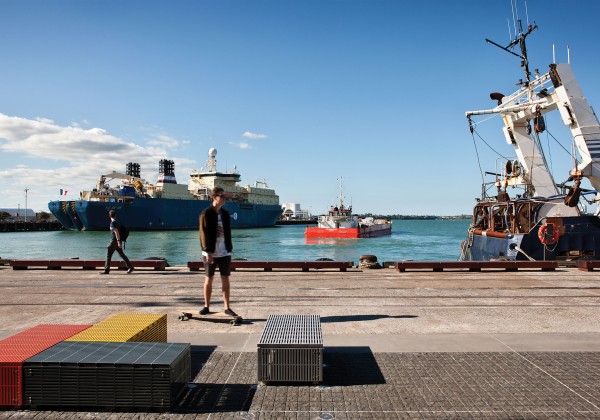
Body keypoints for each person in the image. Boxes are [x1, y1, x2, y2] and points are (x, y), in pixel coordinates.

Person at [199, 187, 236, 316]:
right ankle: (206, 306)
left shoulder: (225, 214)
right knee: (209, 279)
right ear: (214, 197)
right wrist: (206, 251)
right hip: (210, 252)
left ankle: (227, 307)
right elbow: (203, 233)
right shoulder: (206, 213)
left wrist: (230, 248)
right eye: (222, 196)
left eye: (225, 196)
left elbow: (228, 232)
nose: (225, 198)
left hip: (225, 251)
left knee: (225, 279)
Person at [101, 209, 134, 274]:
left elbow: (116, 232)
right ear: (115, 215)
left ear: (109, 216)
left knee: (108, 255)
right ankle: (130, 267)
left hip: (114, 241)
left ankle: (106, 270)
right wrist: (119, 242)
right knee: (122, 255)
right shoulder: (118, 222)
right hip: (118, 241)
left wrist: (118, 241)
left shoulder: (113, 223)